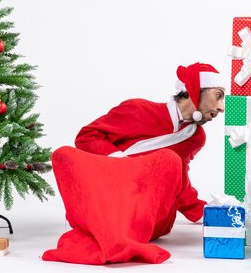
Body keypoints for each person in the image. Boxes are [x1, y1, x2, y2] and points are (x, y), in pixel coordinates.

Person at [74, 62, 225, 237]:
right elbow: (87, 136)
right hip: (115, 195)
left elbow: (179, 177)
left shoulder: (195, 137)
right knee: (63, 154)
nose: (222, 107)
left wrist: (204, 212)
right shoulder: (138, 109)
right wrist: (122, 166)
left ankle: (125, 227)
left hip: (152, 213)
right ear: (194, 88)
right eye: (218, 96)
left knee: (171, 161)